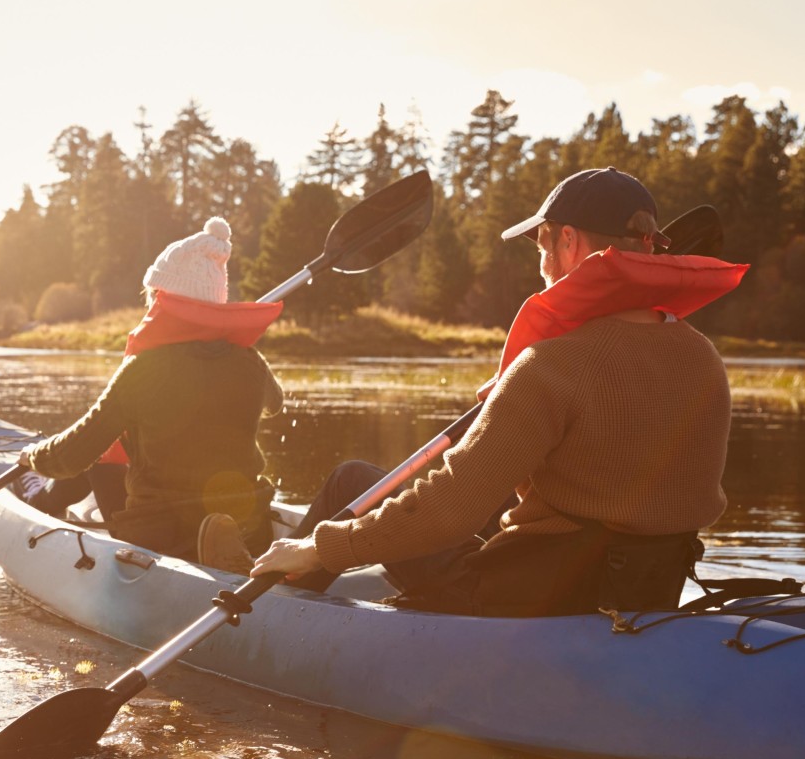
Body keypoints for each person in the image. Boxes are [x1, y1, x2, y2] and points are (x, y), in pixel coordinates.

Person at [250, 167, 744, 616]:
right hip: (643, 591)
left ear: (568, 241)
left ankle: (275, 603)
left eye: (541, 247)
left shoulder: (550, 366)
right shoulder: (704, 359)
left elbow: (447, 510)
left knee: (353, 480)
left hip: (525, 602)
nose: (543, 267)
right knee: (498, 500)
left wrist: (321, 546)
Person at [17, 217, 284, 570]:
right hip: (248, 527)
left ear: (163, 300)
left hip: (168, 535)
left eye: (152, 297)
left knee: (99, 457)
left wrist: (31, 455)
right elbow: (275, 405)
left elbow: (70, 457)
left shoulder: (145, 369)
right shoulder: (251, 362)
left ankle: (37, 496)